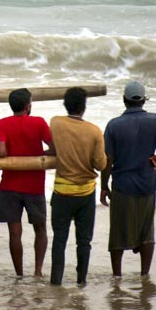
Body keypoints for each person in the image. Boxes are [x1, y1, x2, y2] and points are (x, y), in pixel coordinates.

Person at [100, 81, 156, 277]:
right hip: (147, 183)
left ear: (124, 101)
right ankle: (144, 274)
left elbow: (108, 159)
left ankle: (117, 276)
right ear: (143, 101)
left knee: (118, 234)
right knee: (146, 232)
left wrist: (104, 186)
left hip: (122, 186)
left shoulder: (114, 125)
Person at [0, 88, 54, 277]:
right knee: (40, 228)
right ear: (28, 106)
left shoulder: (2, 123)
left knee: (14, 233)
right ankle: (37, 271)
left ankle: (19, 273)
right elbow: (55, 148)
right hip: (34, 185)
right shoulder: (39, 122)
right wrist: (40, 155)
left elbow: (1, 152)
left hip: (10, 184)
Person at [49, 87, 106, 286]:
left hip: (62, 191)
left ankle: (55, 281)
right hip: (86, 193)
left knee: (59, 239)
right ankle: (81, 280)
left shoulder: (55, 123)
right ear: (84, 107)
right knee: (84, 241)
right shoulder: (94, 131)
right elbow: (100, 164)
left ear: (65, 105)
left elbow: (54, 148)